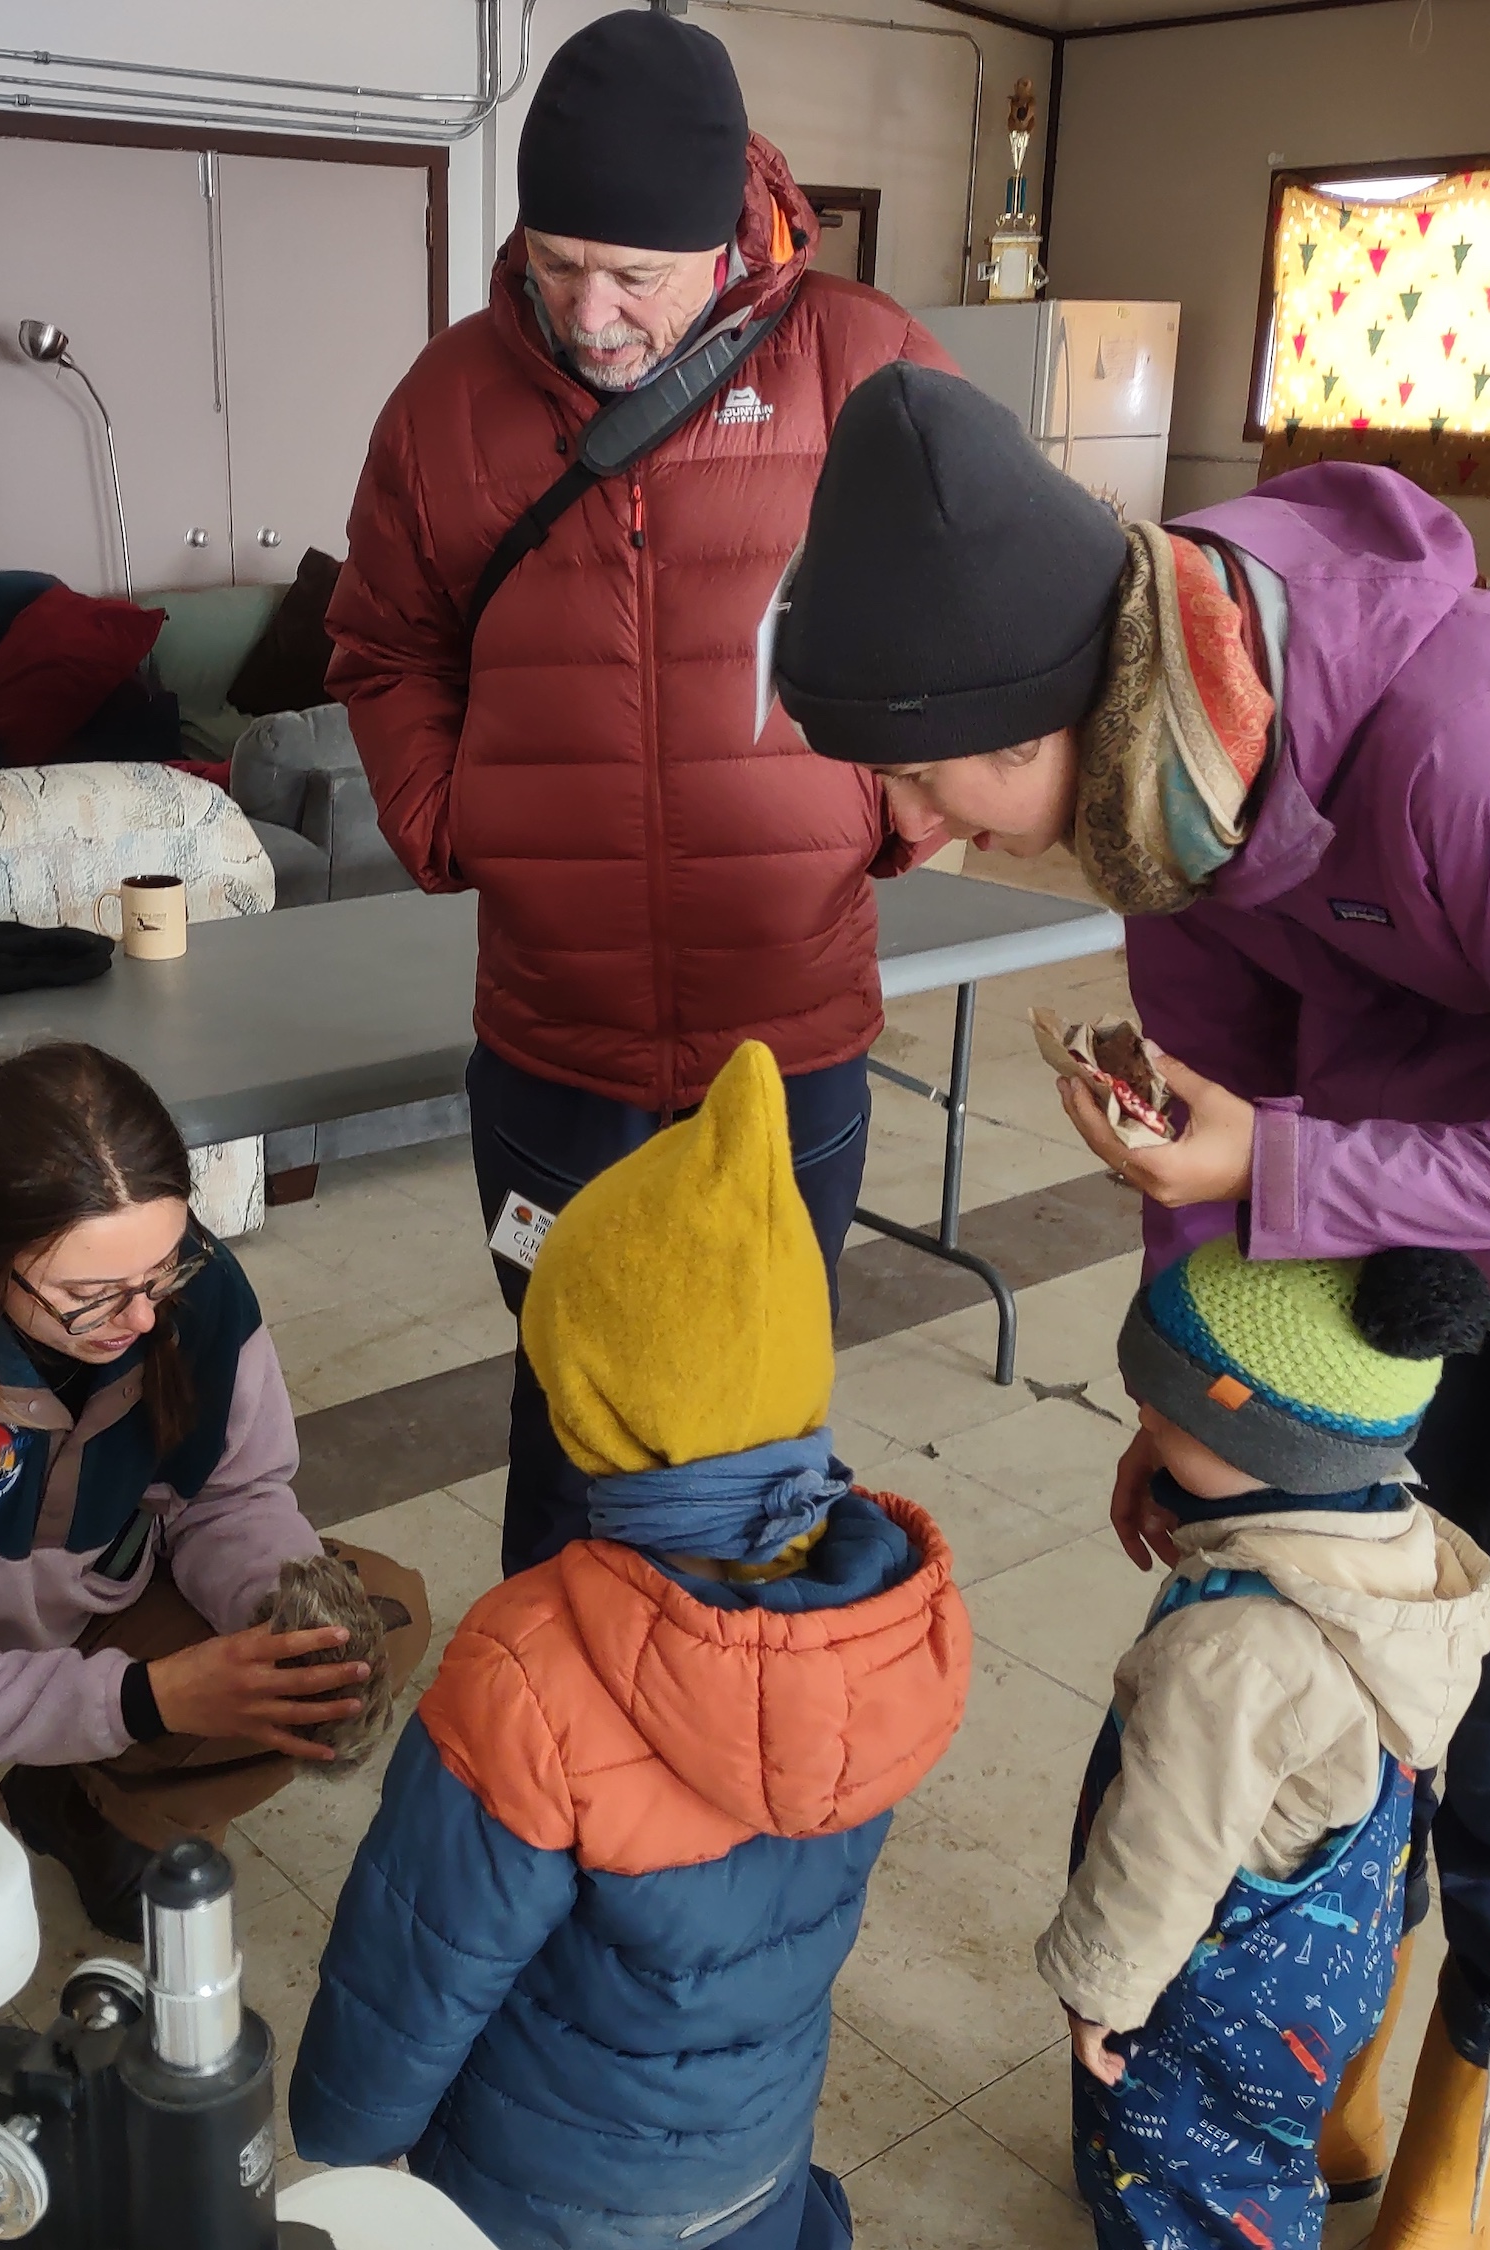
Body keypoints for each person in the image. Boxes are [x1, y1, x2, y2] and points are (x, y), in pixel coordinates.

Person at [770, 363, 1490, 2245]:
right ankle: (1339, 2082)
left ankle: (1443, 2193)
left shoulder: (1483, 742)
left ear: (1047, 700)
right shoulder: (1171, 800)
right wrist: (1183, 1406)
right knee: (1334, 1653)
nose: (911, 831)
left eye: (917, 771)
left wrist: (1289, 1174)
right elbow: (1203, 1135)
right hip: (1440, 1218)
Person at [326, 7, 953, 1575]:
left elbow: (996, 628)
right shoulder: (445, 404)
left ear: (726, 238)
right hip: (555, 1042)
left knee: (758, 1408)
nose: (589, 313)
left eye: (636, 278)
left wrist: (898, 810)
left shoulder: (868, 367)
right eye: (555, 262)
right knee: (568, 1406)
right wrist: (444, 817)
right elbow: (382, 642)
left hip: (787, 1030)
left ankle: (730, 1738)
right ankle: (557, 1742)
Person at [288, 1042, 971, 2250]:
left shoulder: (529, 1664)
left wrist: (342, 2135)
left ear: (588, 1406)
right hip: (753, 2166)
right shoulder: (888, 1620)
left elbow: (422, 1957)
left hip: (537, 2191)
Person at [0, 1041, 429, 1940]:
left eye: (162, 1271)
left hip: (90, 1618)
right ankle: (25, 1786)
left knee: (375, 1619)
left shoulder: (194, 1288)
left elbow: (232, 1500)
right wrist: (146, 1701)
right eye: (92, 1293)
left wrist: (283, 1616)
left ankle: (95, 1811)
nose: (144, 1318)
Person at [1049, 1238, 1490, 2250]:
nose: (1143, 1427)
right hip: (1334, 1958)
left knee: (1189, 2177)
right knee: (1257, 2145)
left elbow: (1163, 1851)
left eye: (1164, 1417)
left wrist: (1100, 1990)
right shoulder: (1399, 1546)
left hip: (1212, 1987)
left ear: (1267, 1452)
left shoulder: (1232, 1650)